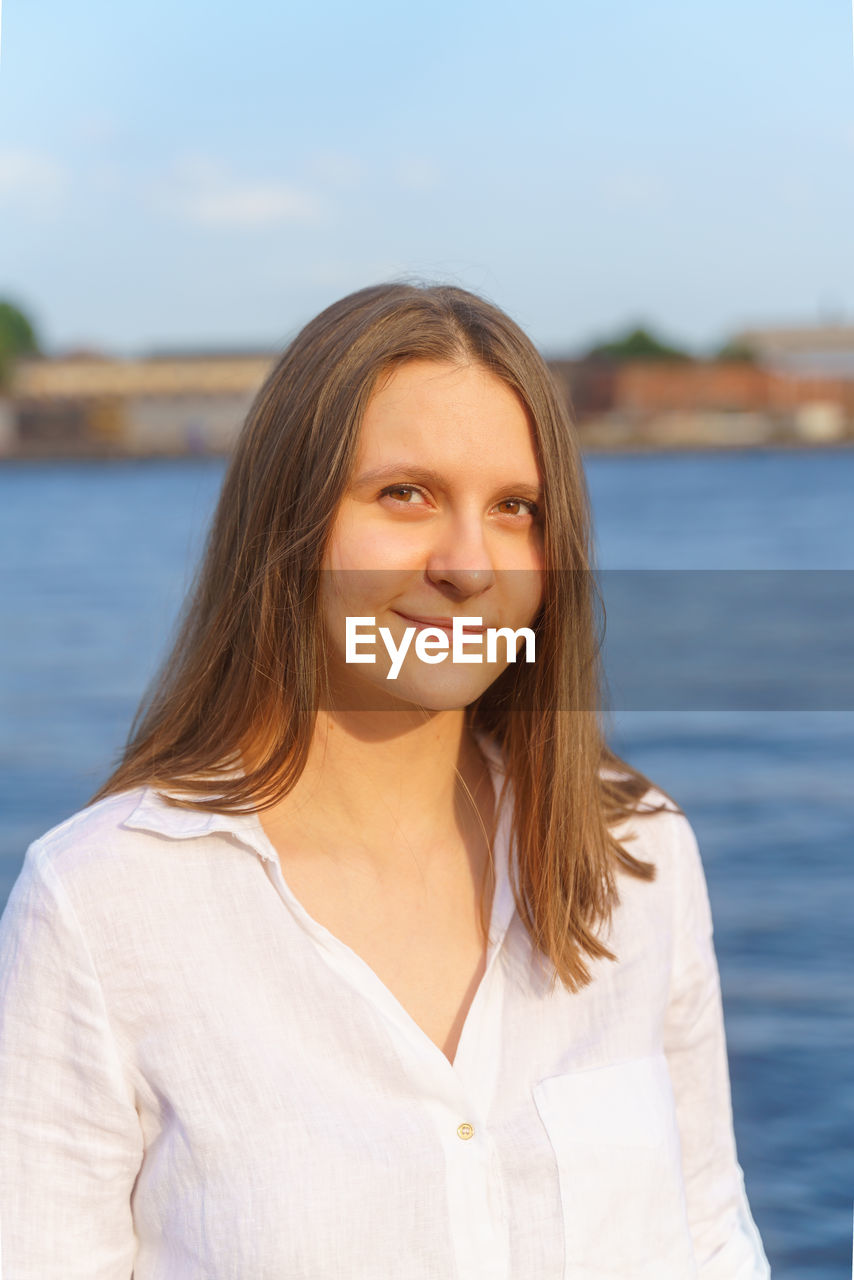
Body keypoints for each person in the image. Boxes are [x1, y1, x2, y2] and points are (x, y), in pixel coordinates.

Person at [0, 282, 770, 1278]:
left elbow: (710, 1238)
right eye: (404, 492)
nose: (465, 563)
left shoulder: (638, 853)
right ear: (289, 526)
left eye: (514, 508)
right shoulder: (103, 905)